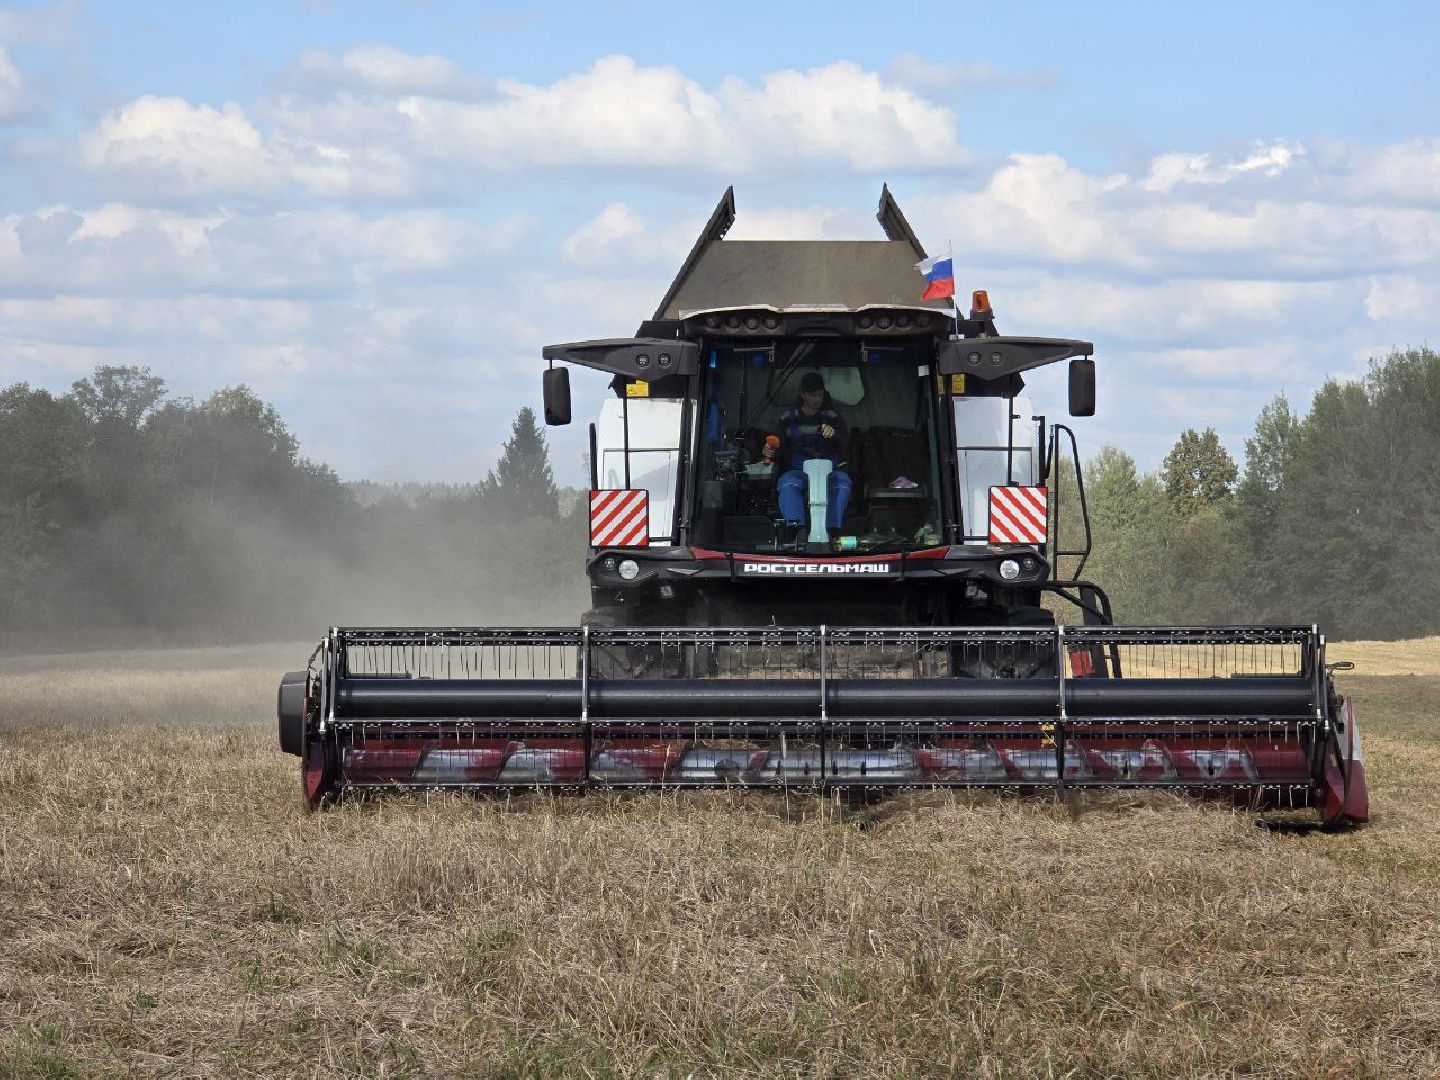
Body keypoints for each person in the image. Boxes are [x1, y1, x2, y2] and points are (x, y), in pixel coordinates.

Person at [765, 371, 852, 539]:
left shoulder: (832, 417)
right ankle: (798, 530)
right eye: (812, 395)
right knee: (787, 483)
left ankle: (832, 530)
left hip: (828, 470)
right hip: (799, 470)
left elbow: (845, 444)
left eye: (820, 395)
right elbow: (776, 444)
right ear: (802, 394)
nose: (817, 399)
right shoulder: (787, 419)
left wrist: (834, 434)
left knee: (843, 482)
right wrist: (770, 450)